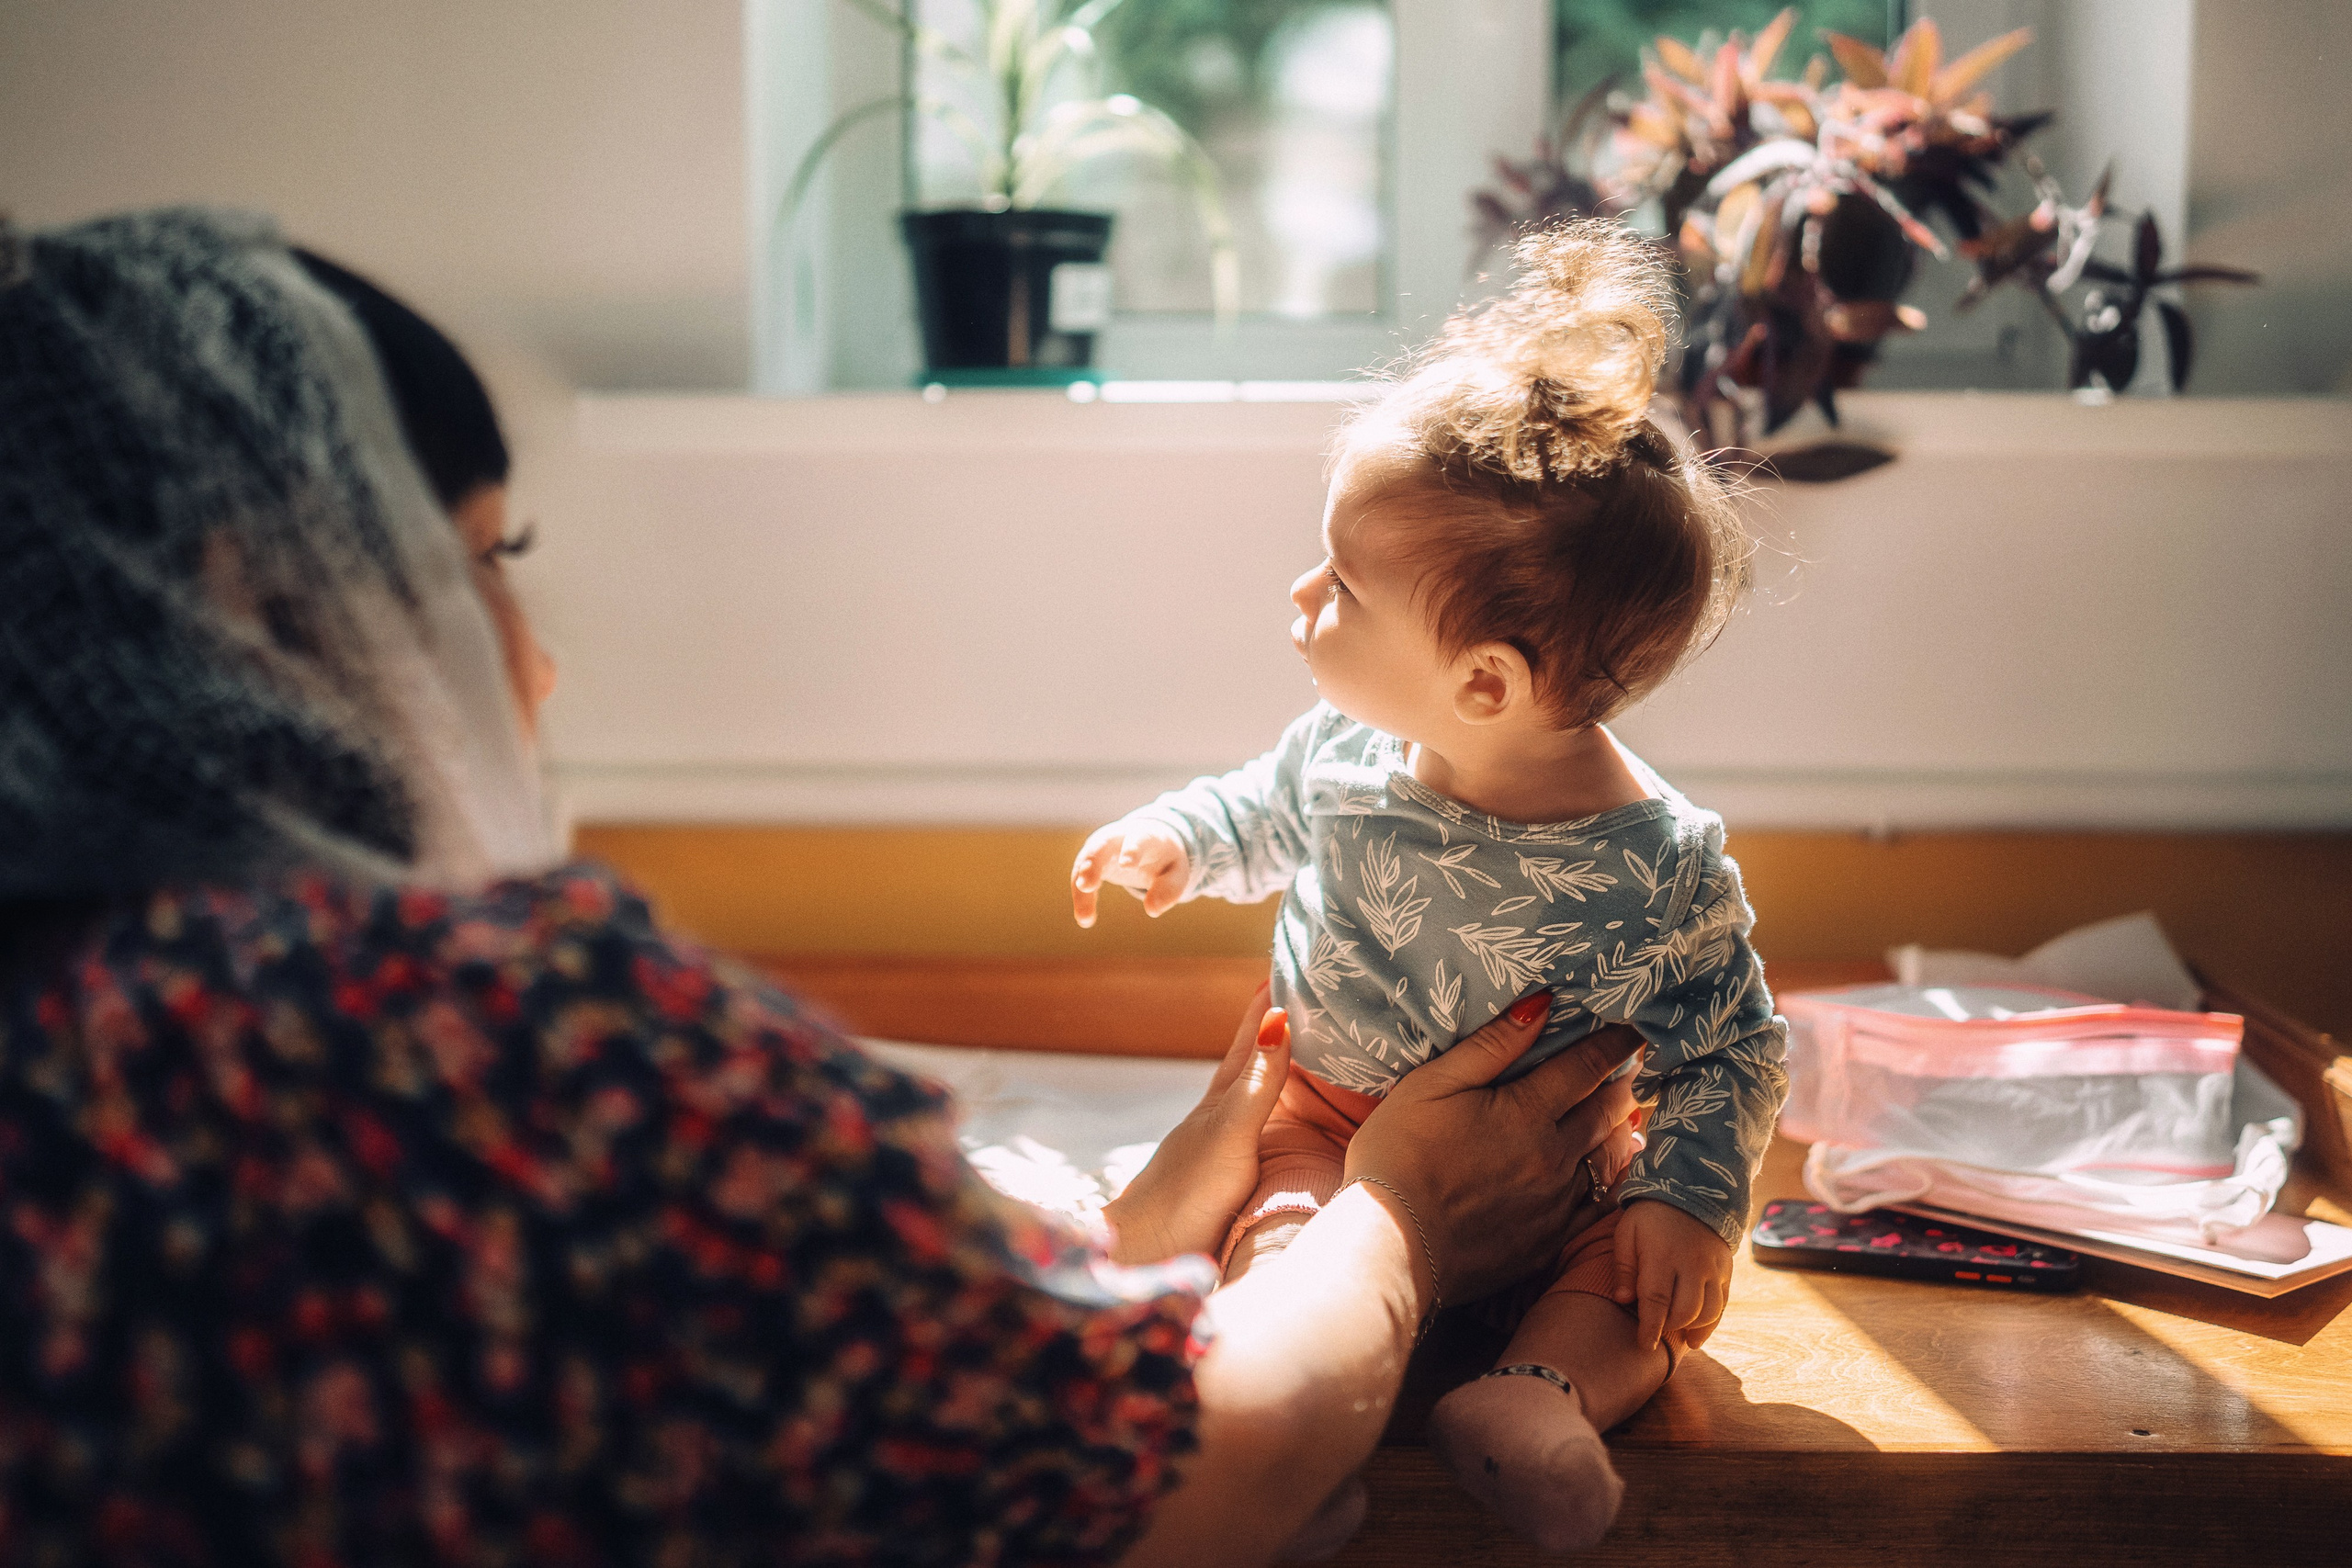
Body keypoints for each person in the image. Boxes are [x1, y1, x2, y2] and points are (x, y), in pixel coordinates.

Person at [0, 207, 1641, 1567]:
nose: (542, 667)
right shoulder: (469, 1030)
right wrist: (1404, 1215)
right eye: (486, 565)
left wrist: (1134, 1224)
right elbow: (1190, 1471)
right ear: (257, 608)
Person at [1070, 220, 1792, 1552]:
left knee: (1638, 1290)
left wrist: (1690, 1199)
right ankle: (1297, 1420)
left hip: (1557, 1165)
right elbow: (1258, 806)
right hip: (1329, 1122)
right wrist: (1175, 839)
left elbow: (1732, 1045)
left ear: (1485, 685)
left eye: (1343, 586)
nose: (1301, 595)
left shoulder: (1660, 866)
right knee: (1279, 1220)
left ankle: (1534, 1399)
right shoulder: (1347, 754)